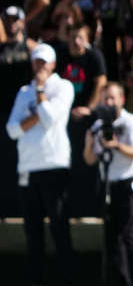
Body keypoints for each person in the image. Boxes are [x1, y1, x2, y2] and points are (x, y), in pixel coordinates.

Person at [5, 43, 76, 286]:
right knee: (33, 234)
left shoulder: (63, 87)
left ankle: (67, 279)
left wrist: (42, 91)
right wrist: (35, 116)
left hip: (54, 165)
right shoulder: (24, 91)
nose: (40, 67)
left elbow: (48, 118)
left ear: (53, 64)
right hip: (27, 168)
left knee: (59, 229)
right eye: (37, 62)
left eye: (44, 62)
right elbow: (12, 130)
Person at [82, 81, 133, 286]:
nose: (108, 102)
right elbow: (90, 159)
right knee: (112, 239)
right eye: (105, 98)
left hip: (129, 183)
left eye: (112, 98)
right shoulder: (98, 125)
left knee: (129, 235)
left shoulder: (132, 123)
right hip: (108, 185)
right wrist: (89, 143)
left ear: (122, 99)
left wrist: (116, 145)